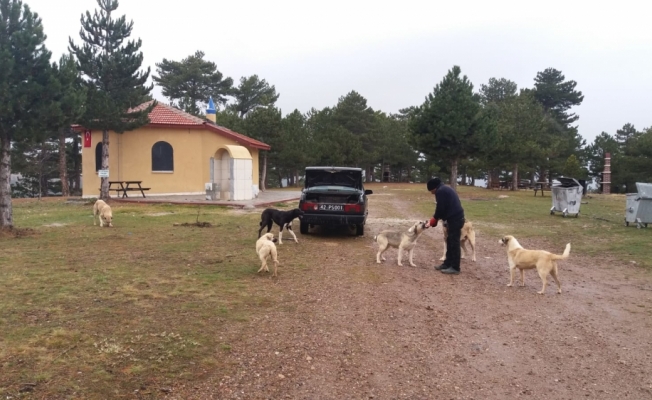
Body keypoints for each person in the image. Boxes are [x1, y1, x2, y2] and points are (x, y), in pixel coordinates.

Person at [427, 177, 465, 275]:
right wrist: (438, 219)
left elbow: (440, 208)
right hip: (453, 218)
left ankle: (455, 267)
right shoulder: (444, 189)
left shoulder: (441, 191)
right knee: (449, 241)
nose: (432, 193)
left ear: (434, 188)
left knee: (454, 243)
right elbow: (444, 208)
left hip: (455, 219)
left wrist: (434, 219)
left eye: (431, 191)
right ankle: (447, 263)